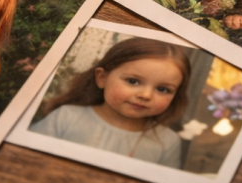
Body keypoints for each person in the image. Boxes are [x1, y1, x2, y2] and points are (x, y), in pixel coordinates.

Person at [31, 37, 191, 167]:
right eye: (133, 81)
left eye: (163, 89)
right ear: (102, 78)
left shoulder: (167, 142)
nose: (146, 95)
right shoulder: (66, 117)